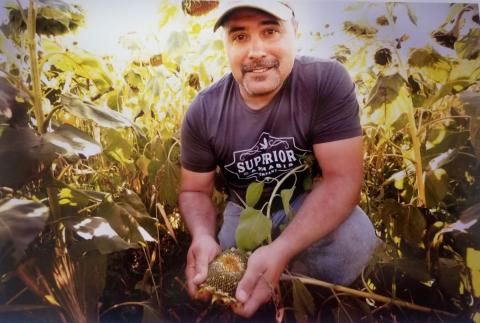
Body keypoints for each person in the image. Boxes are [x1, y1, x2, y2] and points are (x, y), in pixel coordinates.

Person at [179, 0, 378, 318]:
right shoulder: (204, 111)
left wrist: (282, 250)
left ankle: (307, 293)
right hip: (245, 212)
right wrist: (202, 236)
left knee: (355, 239)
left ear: (295, 33)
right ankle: (269, 290)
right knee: (222, 278)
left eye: (270, 31)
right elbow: (194, 191)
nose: (255, 51)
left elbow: (343, 180)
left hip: (306, 200)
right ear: (226, 45)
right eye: (240, 37)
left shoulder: (324, 82)